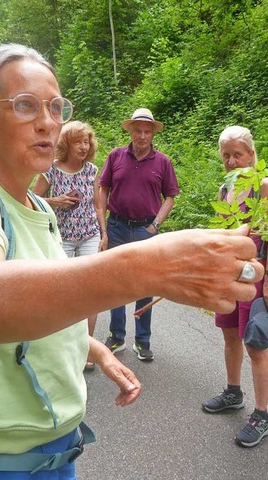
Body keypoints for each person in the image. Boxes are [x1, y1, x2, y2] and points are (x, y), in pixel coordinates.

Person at [0, 43, 264, 479]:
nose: (47, 122)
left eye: (56, 107)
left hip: (55, 454)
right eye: (24, 105)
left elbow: (42, 297)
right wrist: (150, 267)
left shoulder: (37, 210)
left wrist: (89, 346)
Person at [201, 126, 268, 448]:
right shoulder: (225, 191)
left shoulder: (264, 186)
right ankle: (234, 392)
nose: (232, 161)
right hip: (231, 276)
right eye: (227, 155)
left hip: (256, 275)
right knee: (230, 334)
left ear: (251, 154)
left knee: (255, 343)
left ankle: (262, 416)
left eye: (238, 154)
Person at [98, 108, 180, 362]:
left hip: (146, 229)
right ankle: (117, 336)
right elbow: (103, 189)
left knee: (145, 284)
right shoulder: (115, 156)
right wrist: (103, 229)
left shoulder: (162, 161)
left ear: (153, 133)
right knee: (116, 283)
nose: (142, 136)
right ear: (130, 131)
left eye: (147, 131)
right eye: (138, 131)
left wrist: (155, 224)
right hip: (117, 226)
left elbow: (171, 197)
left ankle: (142, 341)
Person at [33, 120, 106, 371]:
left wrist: (103, 233)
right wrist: (56, 201)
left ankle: (86, 349)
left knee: (91, 291)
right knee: (62, 292)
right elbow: (32, 199)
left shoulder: (91, 170)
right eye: (78, 142)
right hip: (61, 238)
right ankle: (61, 346)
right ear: (66, 144)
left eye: (87, 141)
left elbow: (97, 204)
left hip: (89, 235)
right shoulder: (50, 170)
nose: (84, 146)